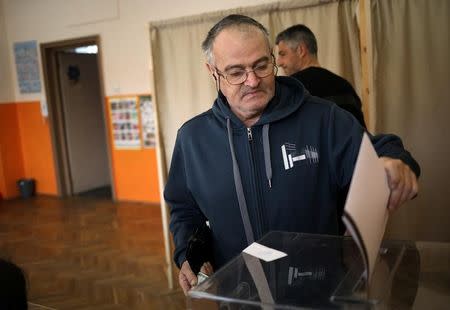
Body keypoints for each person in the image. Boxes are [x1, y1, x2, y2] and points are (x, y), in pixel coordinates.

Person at [164, 14, 420, 295]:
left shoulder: (324, 119)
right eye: (236, 72)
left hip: (320, 291)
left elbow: (382, 149)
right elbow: (184, 210)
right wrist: (186, 255)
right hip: (240, 294)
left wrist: (395, 162)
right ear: (213, 71)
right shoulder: (193, 138)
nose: (252, 81)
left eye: (261, 66)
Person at [275, 24, 367, 128]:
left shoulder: (291, 88)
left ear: (301, 50)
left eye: (283, 54)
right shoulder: (345, 86)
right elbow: (362, 136)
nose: (279, 62)